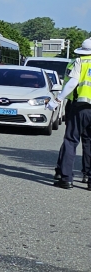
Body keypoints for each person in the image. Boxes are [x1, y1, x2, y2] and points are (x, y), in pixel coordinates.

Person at [48, 38, 91, 190]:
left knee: (71, 140)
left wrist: (58, 100)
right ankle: (89, 178)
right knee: (89, 142)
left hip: (79, 106)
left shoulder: (79, 62)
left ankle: (66, 178)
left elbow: (72, 83)